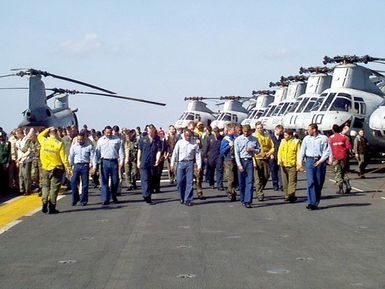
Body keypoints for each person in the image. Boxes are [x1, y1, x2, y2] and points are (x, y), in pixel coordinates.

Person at [38, 127, 72, 214]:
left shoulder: (44, 141)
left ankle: (44, 200)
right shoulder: (59, 144)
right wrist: (68, 168)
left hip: (45, 167)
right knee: (54, 188)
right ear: (56, 133)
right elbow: (64, 158)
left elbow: (40, 135)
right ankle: (52, 207)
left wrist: (47, 129)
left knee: (45, 186)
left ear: (49, 133)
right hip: (56, 168)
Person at [298, 123, 332, 210]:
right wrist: (299, 163)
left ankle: (315, 201)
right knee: (311, 182)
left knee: (319, 182)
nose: (307, 131)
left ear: (314, 130)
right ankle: (311, 202)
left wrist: (321, 161)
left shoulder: (323, 138)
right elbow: (302, 151)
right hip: (309, 161)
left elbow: (327, 151)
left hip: (320, 161)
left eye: (309, 129)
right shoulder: (306, 139)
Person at [92, 126, 124, 205]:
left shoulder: (117, 139)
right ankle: (105, 199)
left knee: (115, 180)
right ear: (104, 132)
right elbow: (97, 154)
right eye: (107, 133)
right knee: (104, 181)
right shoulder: (100, 141)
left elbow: (120, 151)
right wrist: (94, 165)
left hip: (114, 161)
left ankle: (113, 195)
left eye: (110, 132)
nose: (109, 134)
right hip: (104, 162)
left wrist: (122, 161)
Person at [170, 129, 202, 206]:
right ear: (184, 135)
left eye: (189, 136)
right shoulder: (180, 143)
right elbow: (175, 153)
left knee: (189, 182)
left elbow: (198, 155)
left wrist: (199, 165)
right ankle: (182, 196)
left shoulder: (194, 143)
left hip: (190, 163)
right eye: (186, 136)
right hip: (181, 163)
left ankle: (188, 199)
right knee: (180, 181)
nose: (188, 137)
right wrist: (172, 164)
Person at [234, 124, 260, 208]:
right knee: (242, 183)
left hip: (249, 161)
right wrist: (239, 165)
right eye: (244, 131)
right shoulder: (238, 139)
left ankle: (248, 200)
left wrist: (252, 149)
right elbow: (236, 153)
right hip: (241, 160)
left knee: (249, 181)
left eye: (247, 132)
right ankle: (242, 198)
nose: (245, 133)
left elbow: (258, 150)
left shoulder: (254, 139)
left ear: (250, 131)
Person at [137, 124, 162, 204]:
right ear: (147, 131)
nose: (151, 132)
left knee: (151, 179)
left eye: (152, 130)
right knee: (145, 179)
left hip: (152, 163)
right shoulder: (143, 140)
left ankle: (148, 193)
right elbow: (139, 150)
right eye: (149, 131)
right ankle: (147, 195)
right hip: (144, 162)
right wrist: (138, 161)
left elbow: (159, 151)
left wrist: (157, 160)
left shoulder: (158, 140)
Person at [69, 132, 94, 206]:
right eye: (78, 139)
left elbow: (92, 156)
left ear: (84, 139)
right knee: (73, 183)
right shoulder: (74, 146)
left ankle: (84, 200)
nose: (80, 141)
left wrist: (92, 165)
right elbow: (71, 156)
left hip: (85, 166)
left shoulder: (89, 146)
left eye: (81, 139)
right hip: (76, 166)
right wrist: (71, 166)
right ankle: (75, 199)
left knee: (85, 184)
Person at [277, 129, 300, 202]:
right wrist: (279, 160)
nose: (284, 136)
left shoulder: (296, 142)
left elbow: (298, 154)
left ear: (290, 135)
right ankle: (287, 195)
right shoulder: (283, 141)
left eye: (286, 135)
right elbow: (280, 152)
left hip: (292, 165)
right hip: (283, 165)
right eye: (284, 135)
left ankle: (291, 195)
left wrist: (298, 165)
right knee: (285, 182)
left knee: (292, 182)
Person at [253, 121, 274, 201]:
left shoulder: (267, 136)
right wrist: (253, 161)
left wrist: (270, 153)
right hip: (257, 158)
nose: (260, 129)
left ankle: (259, 188)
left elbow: (272, 147)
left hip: (266, 158)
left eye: (261, 128)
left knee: (266, 175)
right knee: (257, 177)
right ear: (256, 128)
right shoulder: (254, 136)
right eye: (258, 128)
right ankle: (259, 194)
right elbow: (251, 150)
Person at [329, 124, 352, 194]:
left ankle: (341, 189)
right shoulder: (344, 137)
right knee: (343, 171)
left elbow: (328, 149)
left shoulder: (330, 138)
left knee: (338, 173)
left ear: (333, 130)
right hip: (343, 157)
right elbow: (349, 147)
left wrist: (329, 159)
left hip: (335, 158)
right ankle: (348, 185)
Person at [220, 123, 238, 201]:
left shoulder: (236, 137)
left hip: (235, 160)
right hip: (228, 160)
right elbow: (222, 151)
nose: (235, 130)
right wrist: (229, 146)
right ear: (229, 130)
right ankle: (230, 192)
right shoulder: (225, 139)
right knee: (231, 178)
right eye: (234, 129)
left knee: (235, 178)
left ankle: (233, 192)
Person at [15, 128, 35, 195]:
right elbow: (18, 152)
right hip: (20, 161)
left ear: (20, 133)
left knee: (26, 175)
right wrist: (18, 160)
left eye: (17, 134)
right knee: (21, 175)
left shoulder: (27, 140)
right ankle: (22, 189)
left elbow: (26, 150)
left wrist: (20, 147)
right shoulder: (18, 141)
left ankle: (27, 190)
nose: (16, 135)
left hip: (27, 159)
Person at [270, 124, 284, 191]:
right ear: (276, 130)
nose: (281, 132)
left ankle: (281, 185)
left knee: (280, 171)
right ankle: (275, 184)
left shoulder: (283, 137)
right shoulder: (270, 137)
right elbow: (269, 146)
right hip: (273, 156)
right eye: (280, 131)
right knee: (273, 171)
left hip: (280, 156)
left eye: (282, 131)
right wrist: (271, 154)